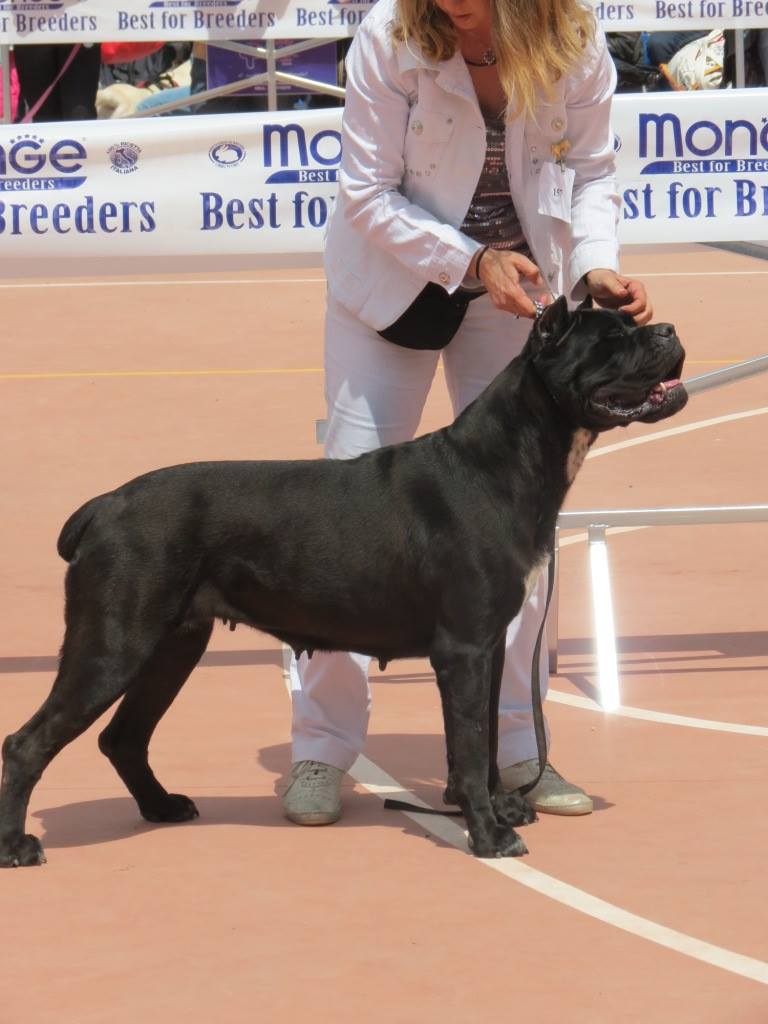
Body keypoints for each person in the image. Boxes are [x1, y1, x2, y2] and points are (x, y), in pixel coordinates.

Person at [283, 0, 652, 826]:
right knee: (341, 514)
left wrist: (595, 269)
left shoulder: (573, 36)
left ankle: (515, 749)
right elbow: (366, 195)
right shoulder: (390, 33)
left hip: (519, 297)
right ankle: (322, 745)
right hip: (393, 289)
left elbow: (593, 172)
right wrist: (471, 258)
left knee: (518, 533)